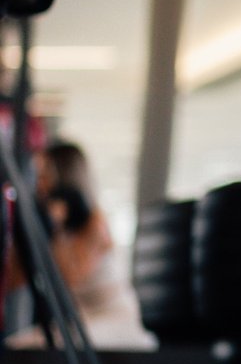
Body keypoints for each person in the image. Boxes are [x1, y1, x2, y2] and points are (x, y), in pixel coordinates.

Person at [4, 140, 152, 351]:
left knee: (27, 349)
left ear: (66, 177)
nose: (39, 184)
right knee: (14, 346)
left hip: (111, 320)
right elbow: (13, 281)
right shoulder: (57, 228)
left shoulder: (95, 223)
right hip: (79, 321)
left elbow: (65, 278)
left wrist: (47, 229)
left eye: (45, 175)